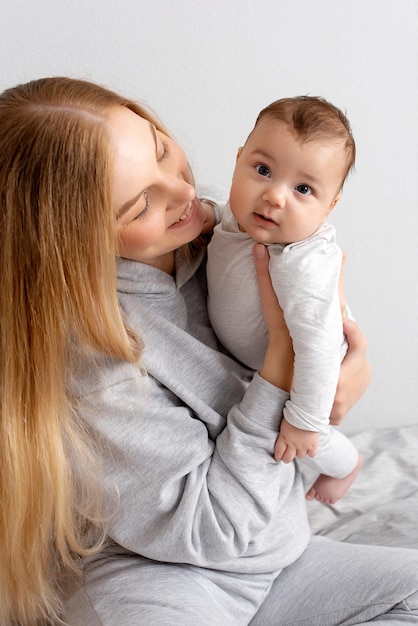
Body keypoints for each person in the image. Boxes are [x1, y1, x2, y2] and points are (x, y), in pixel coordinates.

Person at [0, 77, 417, 626]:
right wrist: (285, 368)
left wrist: (341, 373)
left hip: (280, 559)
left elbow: (315, 350)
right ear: (73, 242)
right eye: (140, 203)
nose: (182, 192)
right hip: (161, 578)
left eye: (162, 151)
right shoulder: (92, 357)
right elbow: (208, 531)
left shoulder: (218, 239)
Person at [207, 96, 362, 504]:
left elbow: (319, 348)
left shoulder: (302, 263)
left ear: (330, 207)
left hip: (312, 365)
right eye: (262, 170)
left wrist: (306, 420)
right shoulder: (234, 216)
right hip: (256, 362)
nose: (275, 196)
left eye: (303, 189)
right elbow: (215, 215)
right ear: (238, 160)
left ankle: (347, 465)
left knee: (300, 436)